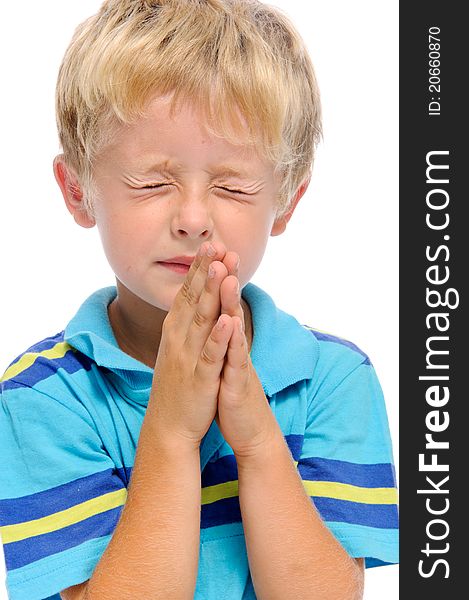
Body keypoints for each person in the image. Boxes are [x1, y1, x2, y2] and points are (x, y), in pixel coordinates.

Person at [0, 1, 398, 598]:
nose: (191, 219)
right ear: (77, 190)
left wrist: (259, 440)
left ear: (286, 201)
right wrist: (171, 431)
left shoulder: (333, 379)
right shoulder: (43, 399)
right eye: (151, 182)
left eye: (232, 186)